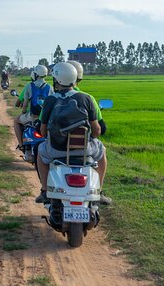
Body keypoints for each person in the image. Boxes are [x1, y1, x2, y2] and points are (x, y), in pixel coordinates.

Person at [35, 62, 111, 205]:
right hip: (84, 150)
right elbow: (97, 130)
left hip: (56, 151)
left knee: (40, 152)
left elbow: (43, 130)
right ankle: (99, 192)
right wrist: (89, 139)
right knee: (102, 151)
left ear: (57, 80)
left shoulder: (50, 100)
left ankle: (45, 191)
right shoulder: (86, 98)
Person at [14, 64, 51, 149]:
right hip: (45, 118)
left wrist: (23, 112)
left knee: (16, 121)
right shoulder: (50, 88)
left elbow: (25, 103)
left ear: (36, 74)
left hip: (31, 116)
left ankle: (21, 144)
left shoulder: (29, 86)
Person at [67, 60, 107, 135]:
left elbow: (41, 128)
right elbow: (102, 128)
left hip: (55, 145)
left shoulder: (51, 99)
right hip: (83, 144)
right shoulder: (88, 98)